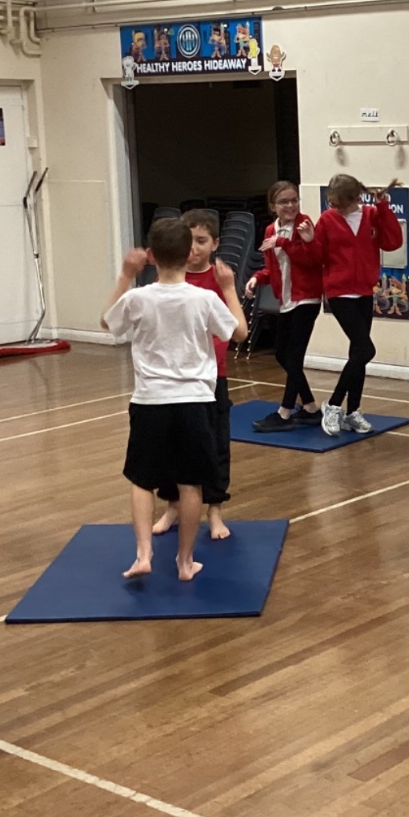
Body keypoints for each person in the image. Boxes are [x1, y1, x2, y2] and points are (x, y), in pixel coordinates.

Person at [103, 219, 247, 581]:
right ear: (188, 254)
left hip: (150, 401)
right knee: (190, 483)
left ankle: (143, 554)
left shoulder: (137, 297)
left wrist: (125, 275)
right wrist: (229, 288)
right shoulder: (204, 298)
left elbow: (108, 322)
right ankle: (185, 561)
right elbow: (240, 333)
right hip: (194, 401)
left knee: (142, 480)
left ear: (151, 256)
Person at [150, 210, 238, 540]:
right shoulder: (169, 279)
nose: (194, 248)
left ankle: (214, 509)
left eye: (201, 241)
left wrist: (229, 288)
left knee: (216, 444)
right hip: (173, 378)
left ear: (215, 243)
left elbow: (235, 328)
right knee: (170, 445)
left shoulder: (219, 280)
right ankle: (173, 504)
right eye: (189, 241)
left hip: (212, 376)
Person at [315, 174, 403, 436]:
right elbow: (318, 255)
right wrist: (309, 239)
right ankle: (333, 405)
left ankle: (353, 411)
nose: (335, 208)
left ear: (355, 199)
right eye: (332, 204)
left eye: (340, 204)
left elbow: (393, 242)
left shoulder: (372, 215)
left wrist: (384, 208)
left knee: (358, 353)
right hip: (339, 292)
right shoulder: (327, 220)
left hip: (364, 291)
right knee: (366, 349)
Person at [245, 181, 324, 433]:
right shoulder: (271, 230)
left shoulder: (304, 225)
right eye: (284, 202)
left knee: (294, 356)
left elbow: (312, 261)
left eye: (294, 200)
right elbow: (272, 268)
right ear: (272, 206)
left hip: (306, 298)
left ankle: (285, 412)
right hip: (287, 299)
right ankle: (310, 408)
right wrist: (257, 278)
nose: (290, 206)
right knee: (282, 354)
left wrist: (284, 242)